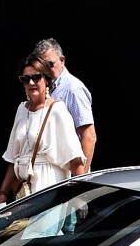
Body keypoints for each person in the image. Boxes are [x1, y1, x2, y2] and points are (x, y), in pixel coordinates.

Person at [0, 54, 86, 210]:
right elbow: (13, 157)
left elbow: (75, 159)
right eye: (25, 79)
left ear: (46, 79)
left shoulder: (58, 110)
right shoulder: (21, 110)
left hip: (49, 189)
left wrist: (81, 198)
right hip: (23, 194)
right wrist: (3, 192)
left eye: (36, 77)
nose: (31, 83)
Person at [34, 37, 95, 171]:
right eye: (42, 65)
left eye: (50, 64)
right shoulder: (44, 88)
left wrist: (80, 179)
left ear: (62, 60)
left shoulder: (73, 89)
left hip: (69, 175)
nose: (46, 70)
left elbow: (89, 136)